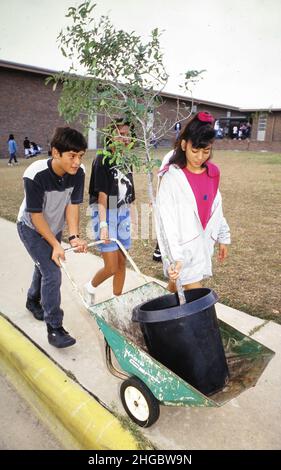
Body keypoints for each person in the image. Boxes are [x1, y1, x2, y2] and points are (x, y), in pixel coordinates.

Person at [17, 127, 88, 348]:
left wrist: (74, 236)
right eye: (72, 156)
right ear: (56, 152)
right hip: (31, 227)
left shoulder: (79, 173)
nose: (77, 162)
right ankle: (54, 328)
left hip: (53, 228)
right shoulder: (34, 174)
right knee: (52, 273)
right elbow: (35, 215)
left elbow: (73, 204)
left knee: (44, 266)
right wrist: (56, 244)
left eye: (80, 156)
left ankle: (32, 300)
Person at [156, 111, 230, 292]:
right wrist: (175, 256)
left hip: (203, 244)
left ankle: (161, 314)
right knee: (197, 296)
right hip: (182, 248)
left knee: (176, 287)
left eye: (206, 151)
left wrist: (223, 236)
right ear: (183, 145)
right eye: (195, 150)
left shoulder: (213, 173)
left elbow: (215, 207)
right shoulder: (171, 178)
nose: (200, 157)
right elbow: (165, 221)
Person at [83, 118, 136, 305]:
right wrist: (104, 224)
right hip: (105, 212)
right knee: (112, 266)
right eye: (121, 134)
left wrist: (129, 216)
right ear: (109, 136)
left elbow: (128, 191)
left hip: (122, 211)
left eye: (127, 134)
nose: (125, 138)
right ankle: (90, 287)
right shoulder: (103, 159)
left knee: (122, 262)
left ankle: (117, 300)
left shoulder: (127, 159)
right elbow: (102, 197)